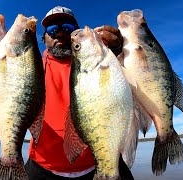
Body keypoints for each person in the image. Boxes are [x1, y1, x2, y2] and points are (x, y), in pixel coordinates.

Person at [24, 6, 134, 180]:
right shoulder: (29, 66)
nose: (59, 34)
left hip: (101, 160)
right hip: (42, 167)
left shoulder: (105, 62)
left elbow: (136, 82)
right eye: (52, 30)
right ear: (43, 38)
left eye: (67, 28)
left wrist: (120, 51)